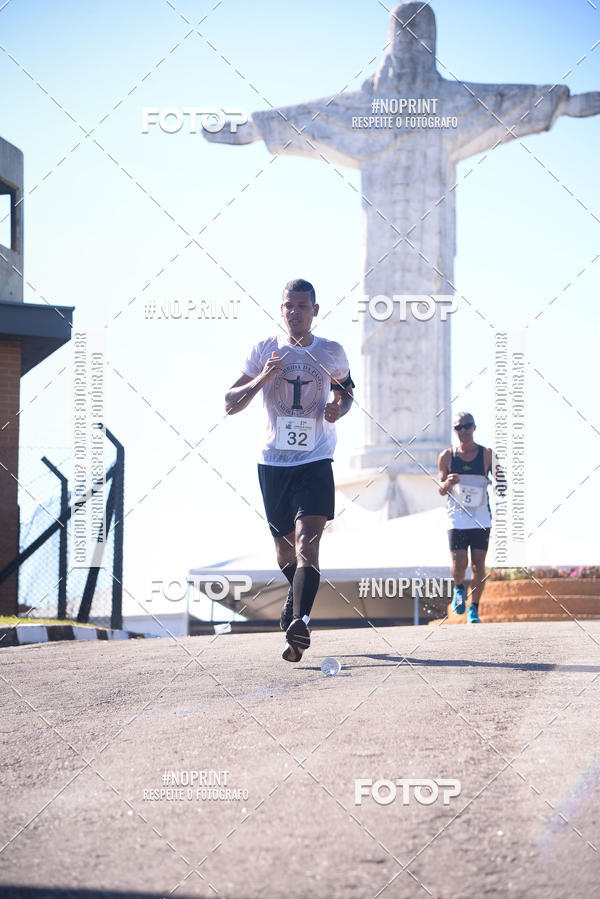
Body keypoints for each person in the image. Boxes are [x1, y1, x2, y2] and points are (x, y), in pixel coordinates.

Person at [225, 278, 354, 661]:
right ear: (281, 310)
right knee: (283, 552)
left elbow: (346, 390)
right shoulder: (265, 350)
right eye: (288, 306)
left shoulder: (330, 352)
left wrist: (338, 408)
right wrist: (264, 377)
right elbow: (230, 403)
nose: (295, 312)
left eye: (302, 306)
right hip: (273, 464)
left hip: (315, 460)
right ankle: (295, 599)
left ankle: (299, 623)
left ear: (315, 310)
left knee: (307, 543)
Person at [437, 412, 498, 623]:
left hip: (480, 516)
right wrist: (448, 483)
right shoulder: (447, 456)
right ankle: (459, 588)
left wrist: (499, 485)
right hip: (457, 517)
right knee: (459, 560)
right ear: (454, 431)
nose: (463, 431)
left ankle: (474, 608)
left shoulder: (487, 454)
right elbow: (440, 489)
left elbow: (502, 480)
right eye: (458, 428)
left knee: (478, 564)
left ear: (474, 427)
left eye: (467, 426)